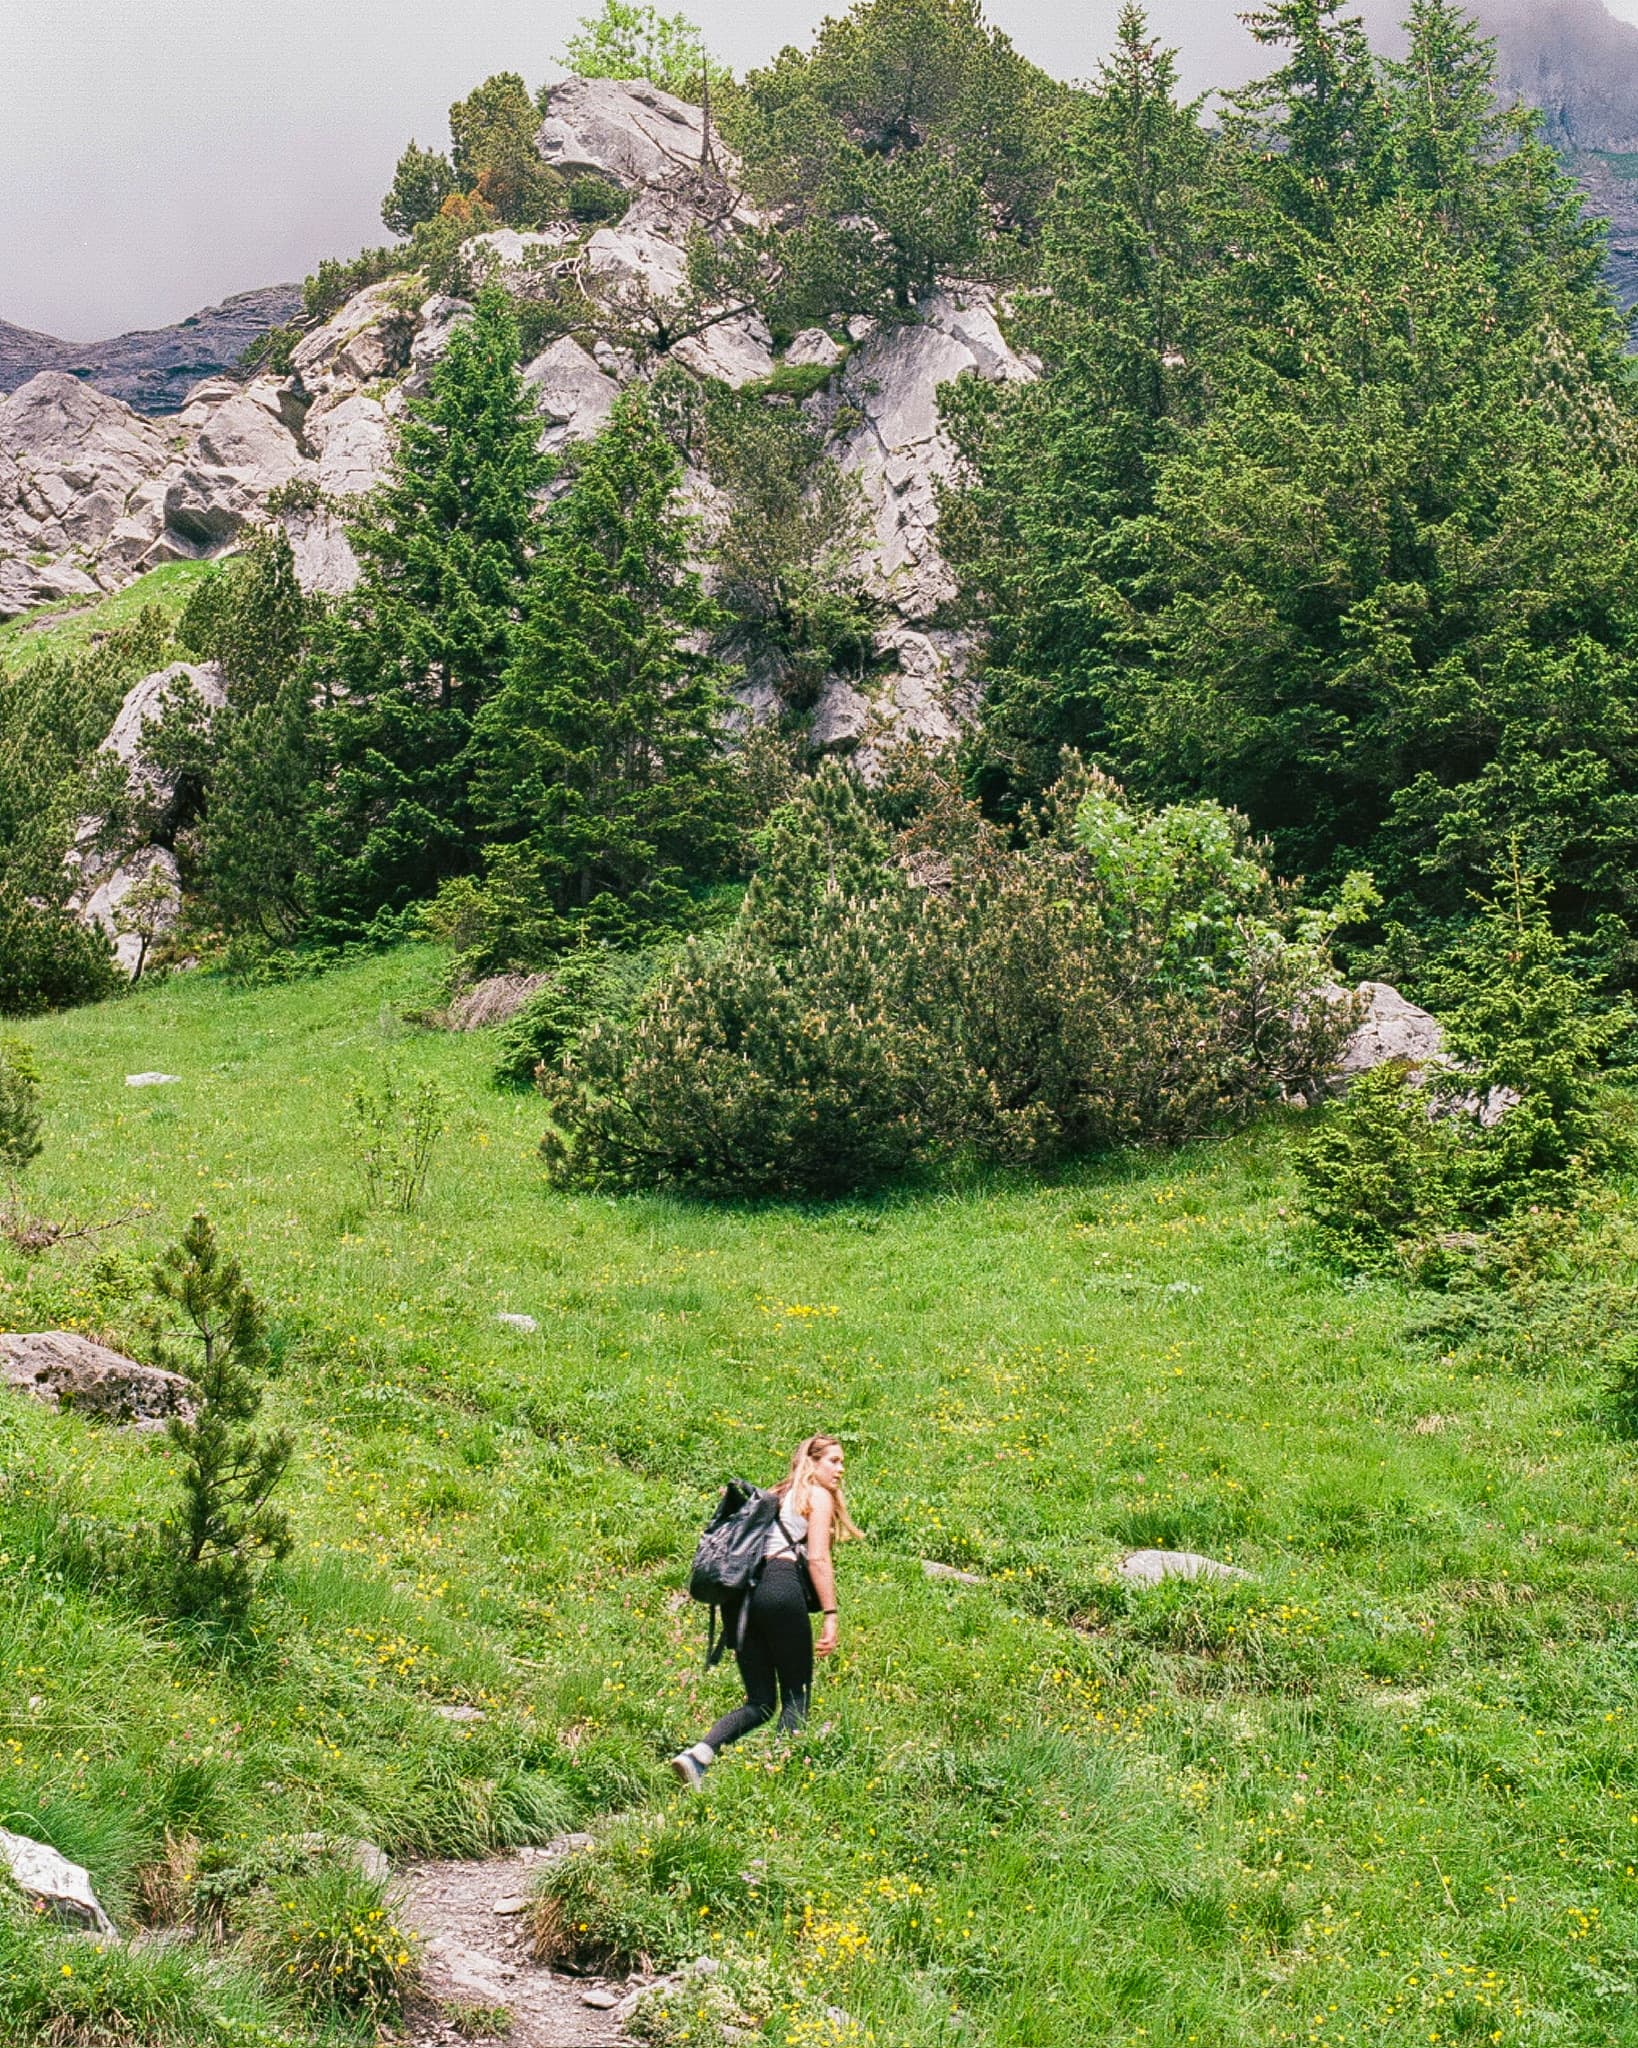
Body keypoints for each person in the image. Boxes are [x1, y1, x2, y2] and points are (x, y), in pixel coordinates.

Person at [671, 1433, 861, 1788]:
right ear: (813, 1462)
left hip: (740, 1599)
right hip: (779, 1586)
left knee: (760, 1701)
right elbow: (818, 1558)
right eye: (833, 1461)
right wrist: (831, 1615)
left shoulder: (777, 1493)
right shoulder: (817, 1496)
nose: (841, 1468)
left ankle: (697, 1756)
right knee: (796, 1694)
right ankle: (779, 1785)